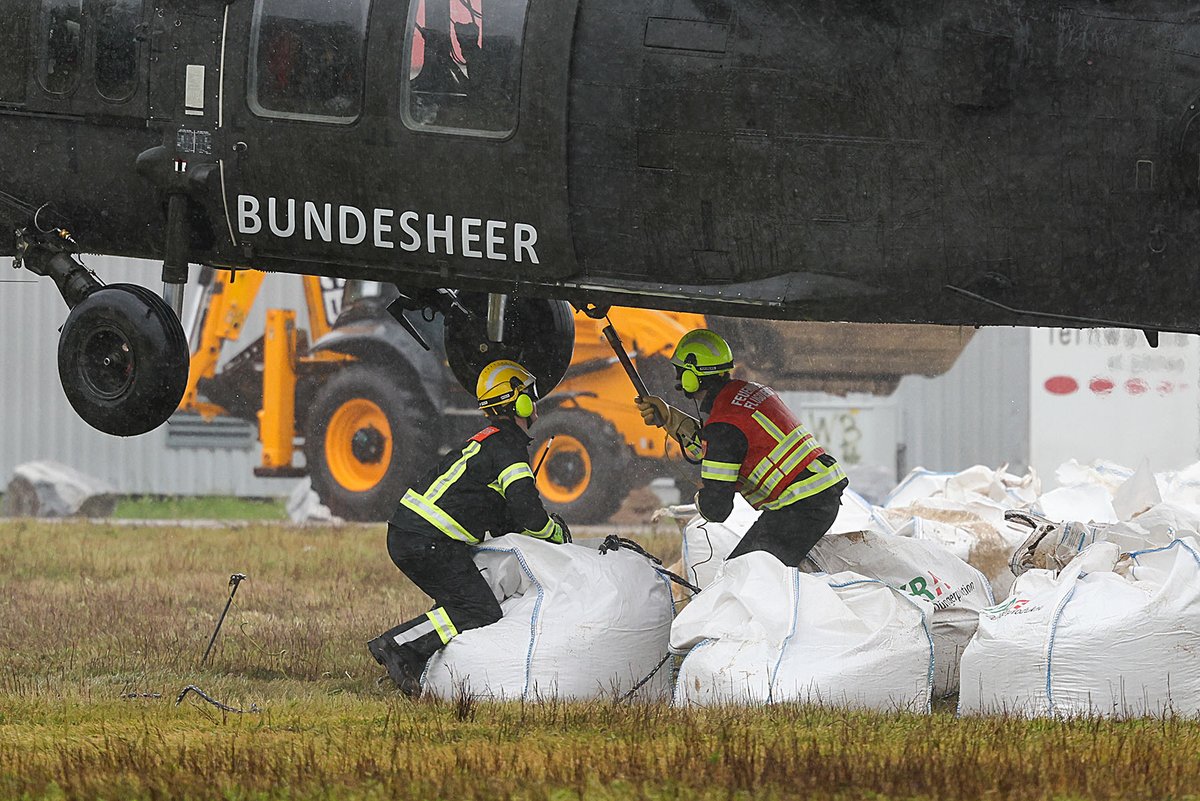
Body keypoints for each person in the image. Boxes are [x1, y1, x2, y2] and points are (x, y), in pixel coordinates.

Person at [368, 359, 570, 697]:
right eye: (530, 397)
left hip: (413, 535)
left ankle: (418, 662)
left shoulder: (491, 442)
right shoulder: (508, 451)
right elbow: (528, 514)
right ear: (516, 401)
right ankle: (397, 646)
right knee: (479, 608)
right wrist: (556, 534)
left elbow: (503, 518)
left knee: (461, 600)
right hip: (427, 540)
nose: (535, 407)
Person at [636, 329, 847, 567]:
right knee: (752, 576)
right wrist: (669, 418)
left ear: (691, 376)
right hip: (815, 495)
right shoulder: (749, 393)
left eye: (679, 372)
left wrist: (698, 502)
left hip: (801, 506)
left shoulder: (723, 425)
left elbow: (717, 509)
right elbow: (724, 442)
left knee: (743, 576)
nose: (677, 380)